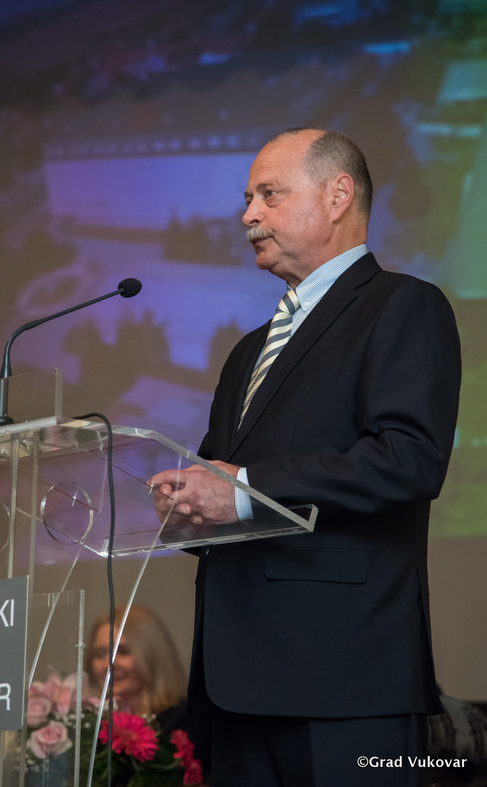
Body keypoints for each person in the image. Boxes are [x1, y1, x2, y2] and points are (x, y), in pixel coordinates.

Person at [148, 127, 462, 787]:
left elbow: (409, 458)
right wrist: (188, 506)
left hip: (344, 681)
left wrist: (243, 489)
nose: (248, 215)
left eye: (269, 194)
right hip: (236, 689)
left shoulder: (403, 306)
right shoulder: (249, 349)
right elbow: (220, 481)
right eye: (247, 199)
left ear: (338, 195)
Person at [86, 604, 211, 773]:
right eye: (99, 654)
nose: (108, 664)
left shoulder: (186, 721)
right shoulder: (90, 724)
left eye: (123, 652)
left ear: (152, 657)